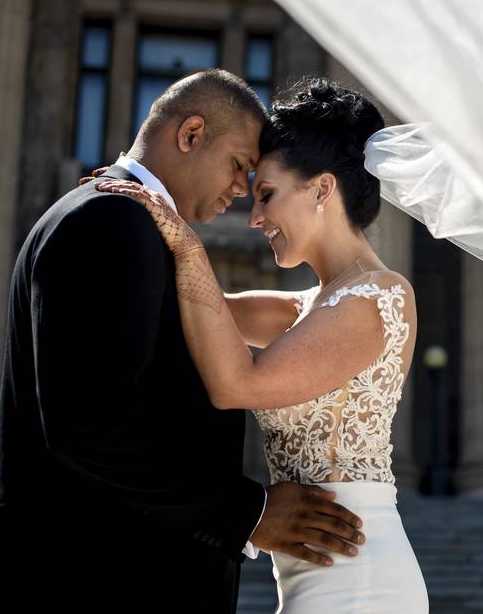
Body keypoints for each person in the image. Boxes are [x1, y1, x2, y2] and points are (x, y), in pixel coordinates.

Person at [0, 69, 364, 614]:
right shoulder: (109, 218)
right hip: (77, 580)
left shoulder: (128, 222)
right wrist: (248, 512)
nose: (244, 192)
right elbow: (89, 424)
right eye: (241, 166)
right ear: (191, 134)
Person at [95, 77, 428, 612]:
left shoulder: (379, 297)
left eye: (267, 196)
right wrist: (126, 221)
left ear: (322, 190)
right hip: (308, 571)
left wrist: (185, 242)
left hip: (358, 575)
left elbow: (235, 385)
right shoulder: (304, 308)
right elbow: (202, 310)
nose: (253, 219)